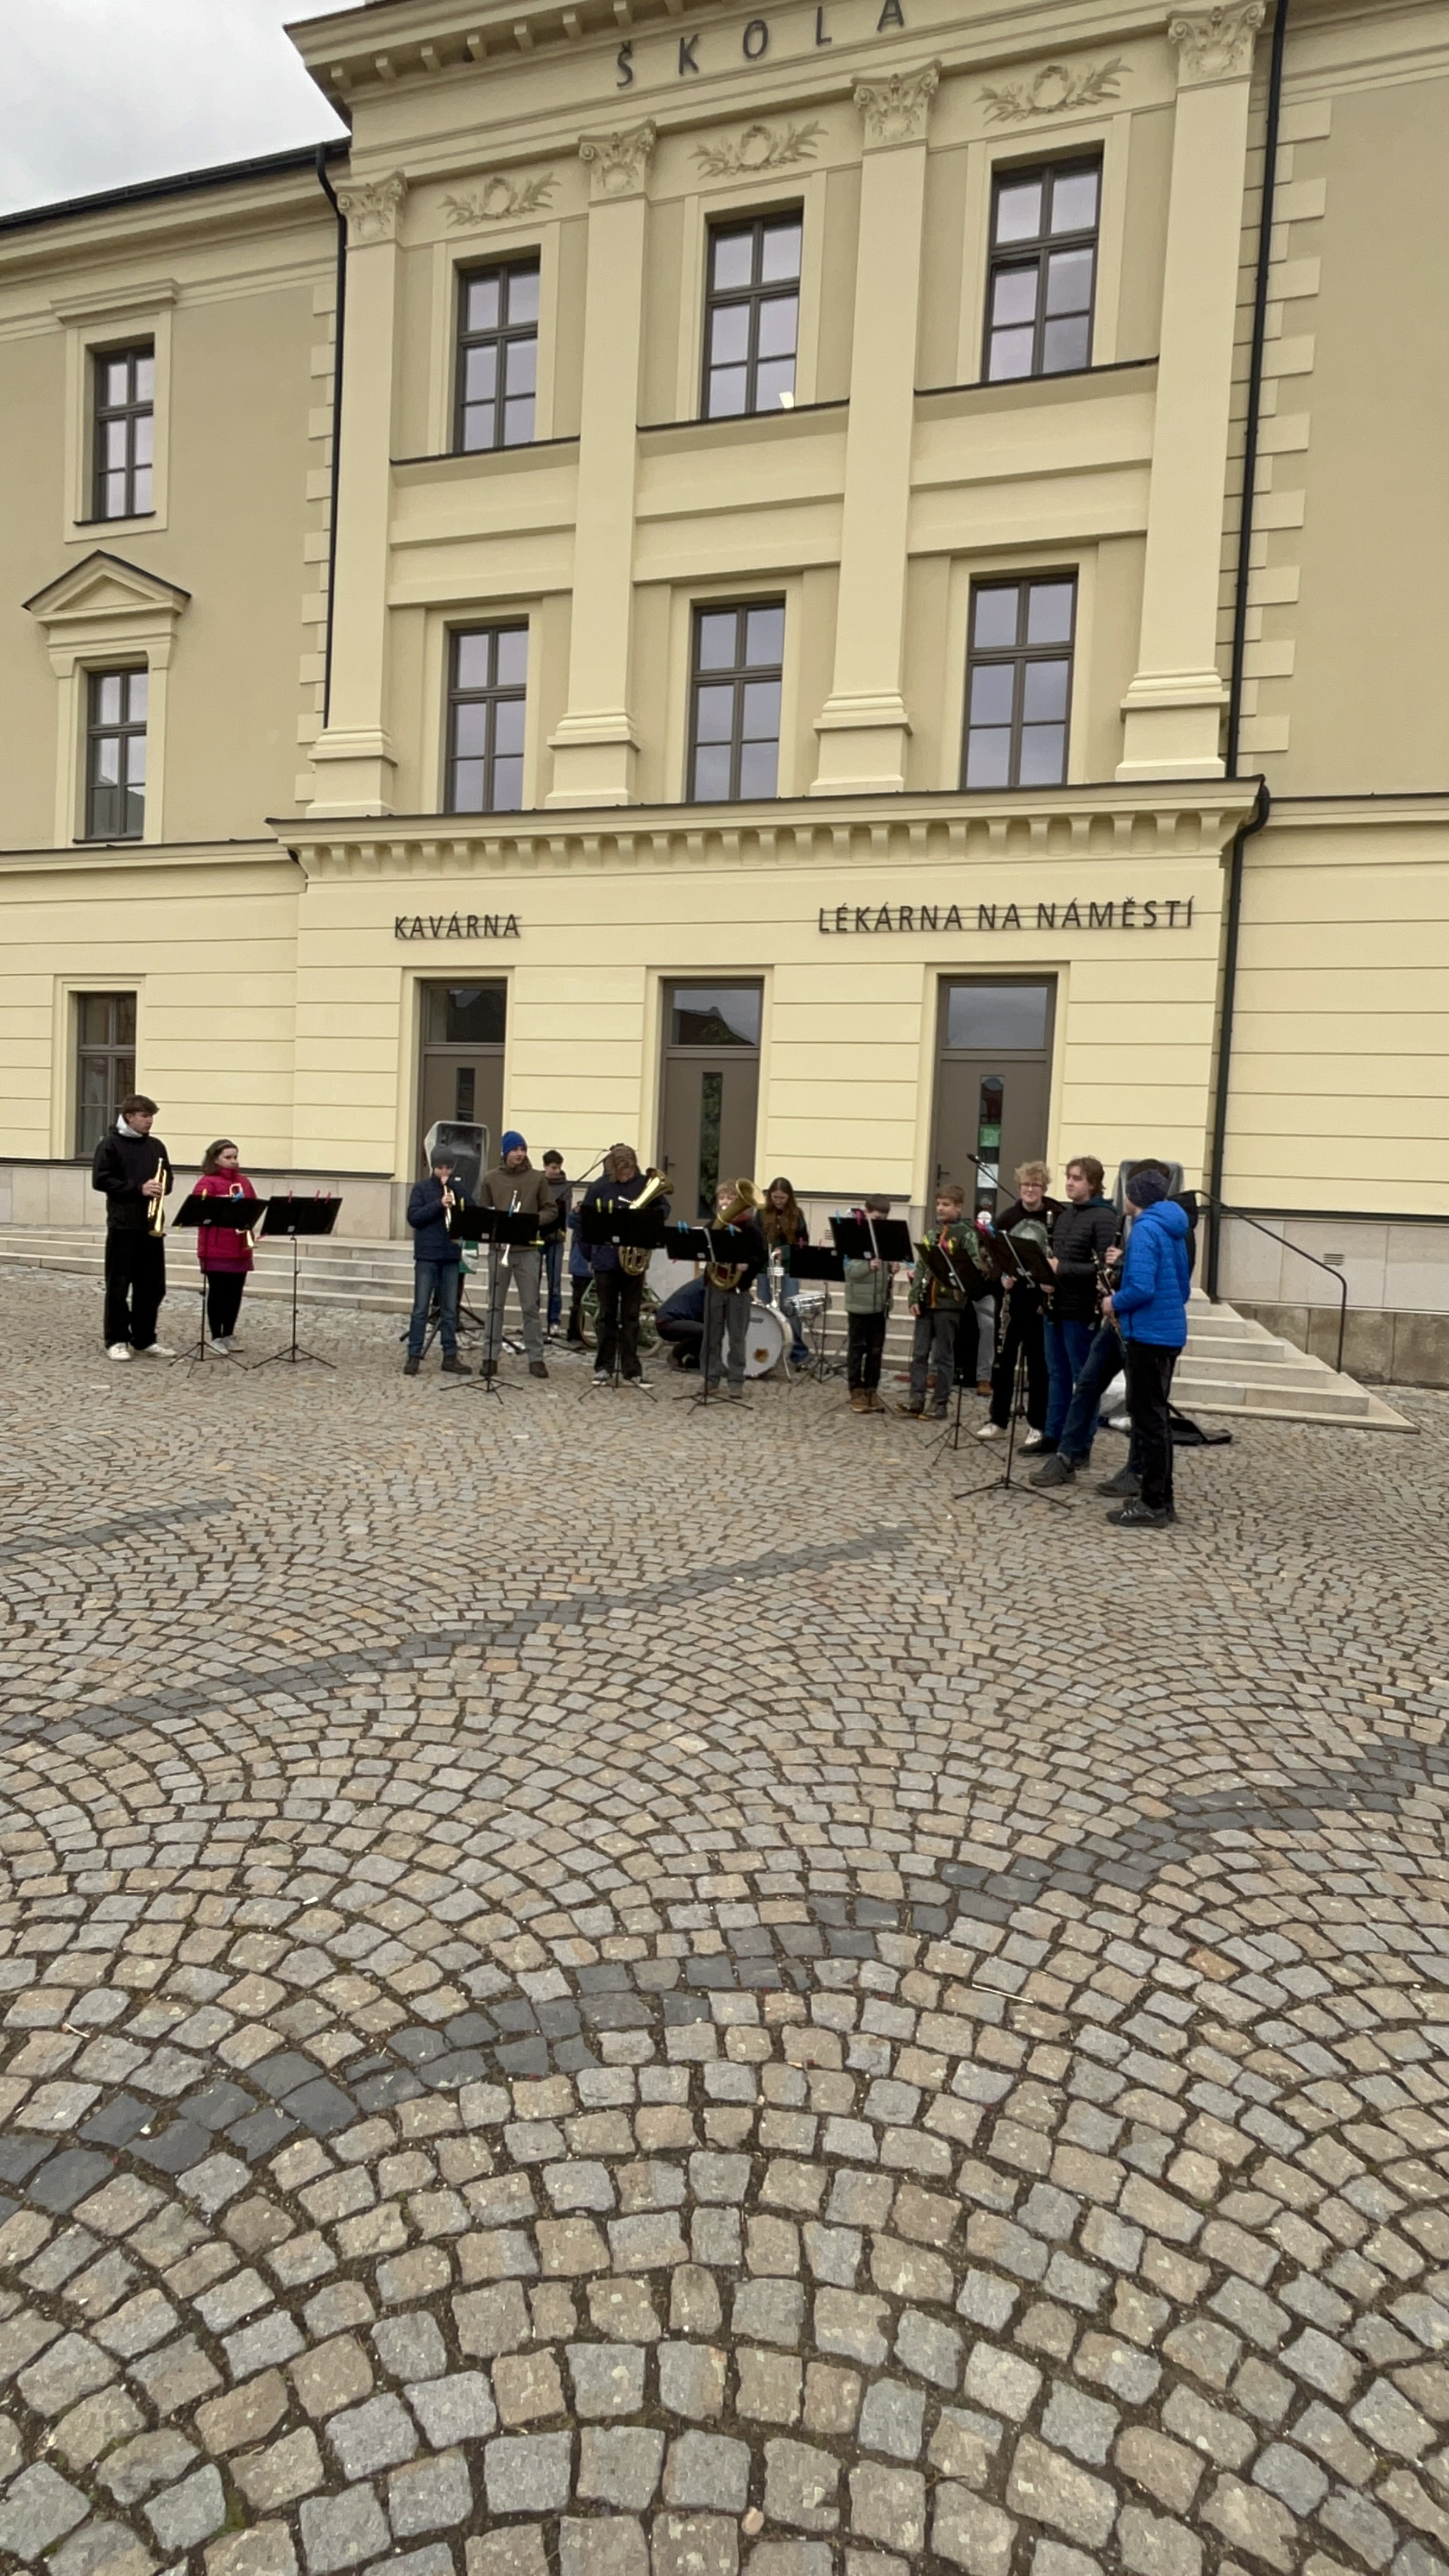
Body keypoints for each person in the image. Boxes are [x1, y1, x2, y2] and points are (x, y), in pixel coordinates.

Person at [1102, 1167, 1192, 1527]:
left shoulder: (1143, 1229)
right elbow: (1183, 1287)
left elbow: (1141, 1288)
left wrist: (1113, 1302)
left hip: (1149, 1335)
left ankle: (1153, 1503)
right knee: (1158, 1420)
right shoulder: (1174, 1228)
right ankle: (1161, 1498)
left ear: (1134, 1197)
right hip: (1169, 1333)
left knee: (1149, 1422)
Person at [977, 1161, 1060, 1445]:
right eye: (1026, 1184)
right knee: (1003, 1361)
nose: (1030, 1189)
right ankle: (998, 1419)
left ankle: (1038, 1424)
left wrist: (1053, 1278)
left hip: (1041, 1300)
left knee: (1039, 1363)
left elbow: (1060, 1253)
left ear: (1044, 1188)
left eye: (1035, 1185)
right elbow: (994, 1256)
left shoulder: (1056, 1216)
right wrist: (1001, 1277)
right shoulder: (1008, 1218)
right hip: (1013, 1299)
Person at [1041, 1156, 1119, 1452]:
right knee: (1056, 1374)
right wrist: (1046, 1275)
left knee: (1083, 1380)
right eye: (1068, 1177)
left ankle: (1079, 1445)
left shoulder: (1104, 1217)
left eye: (1077, 1178)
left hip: (1081, 1308)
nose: (1070, 1183)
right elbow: (1058, 1259)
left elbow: (1104, 1270)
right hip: (1056, 1303)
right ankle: (1054, 1435)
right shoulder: (1064, 1215)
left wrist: (1061, 1269)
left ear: (1093, 1184)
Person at [91, 1092, 174, 1360]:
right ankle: (116, 1339)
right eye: (145, 1116)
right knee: (119, 1285)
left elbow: (168, 1179)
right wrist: (138, 1188)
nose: (149, 1121)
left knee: (153, 1287)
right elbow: (101, 1180)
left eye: (151, 1116)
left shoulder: (156, 1146)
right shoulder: (110, 1145)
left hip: (151, 1225)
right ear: (129, 1117)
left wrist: (161, 1187)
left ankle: (144, 1338)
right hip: (123, 1225)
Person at [476, 1130, 558, 1379]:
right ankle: (490, 1356)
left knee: (530, 1306)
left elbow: (551, 1209)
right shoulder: (491, 1178)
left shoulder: (537, 1179)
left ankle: (536, 1358)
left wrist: (533, 1221)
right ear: (505, 1152)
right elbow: (483, 1210)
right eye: (515, 1150)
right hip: (500, 1249)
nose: (520, 1154)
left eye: (523, 1149)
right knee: (494, 1306)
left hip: (527, 1250)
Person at [900, 1182, 981, 1420]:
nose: (940, 1208)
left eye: (946, 1204)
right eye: (938, 1204)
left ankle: (940, 1403)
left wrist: (956, 1270)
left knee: (943, 1355)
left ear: (958, 1207)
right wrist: (914, 1296)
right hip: (926, 1302)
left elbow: (974, 1266)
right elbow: (921, 1267)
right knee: (919, 1353)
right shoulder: (931, 1234)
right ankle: (916, 1399)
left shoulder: (966, 1234)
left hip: (949, 1304)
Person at [582, 1142, 659, 1386]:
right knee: (606, 1316)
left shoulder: (644, 1184)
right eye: (623, 1171)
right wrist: (589, 1257)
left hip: (633, 1262)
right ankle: (604, 1367)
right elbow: (585, 1223)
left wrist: (647, 1218)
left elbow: (663, 1208)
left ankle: (632, 1369)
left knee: (631, 1317)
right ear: (614, 1169)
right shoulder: (600, 1187)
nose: (627, 1175)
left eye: (631, 1170)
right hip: (605, 1260)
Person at [403, 1152, 471, 1377]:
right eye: (440, 1168)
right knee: (421, 1308)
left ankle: (450, 1356)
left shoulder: (457, 1189)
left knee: (450, 1310)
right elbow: (414, 1217)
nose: (444, 1172)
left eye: (448, 1168)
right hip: (427, 1256)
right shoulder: (422, 1189)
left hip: (450, 1256)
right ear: (433, 1168)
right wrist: (438, 1204)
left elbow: (471, 1210)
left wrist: (458, 1197)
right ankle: (414, 1355)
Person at [192, 1139, 259, 1352]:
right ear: (215, 1159)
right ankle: (216, 1336)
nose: (233, 1161)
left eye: (235, 1157)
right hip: (216, 1246)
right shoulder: (207, 1182)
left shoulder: (243, 1181)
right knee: (218, 1292)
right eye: (228, 1157)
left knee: (235, 1293)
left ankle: (229, 1333)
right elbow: (199, 1211)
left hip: (239, 1246)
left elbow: (253, 1208)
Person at [703, 1181, 766, 1400]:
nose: (725, 1202)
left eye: (731, 1198)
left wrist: (748, 1265)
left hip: (739, 1289)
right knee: (711, 1336)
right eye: (722, 1198)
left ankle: (736, 1381)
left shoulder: (750, 1229)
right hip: (715, 1287)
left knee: (737, 1338)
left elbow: (761, 1257)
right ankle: (710, 1378)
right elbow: (703, 1250)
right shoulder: (712, 1225)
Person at [845, 1194, 896, 1414]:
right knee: (857, 1349)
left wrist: (892, 1267)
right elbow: (849, 1271)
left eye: (883, 1219)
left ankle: (872, 1389)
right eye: (876, 1218)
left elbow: (887, 1266)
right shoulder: (854, 1234)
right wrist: (868, 1267)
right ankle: (856, 1390)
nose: (880, 1222)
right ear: (866, 1213)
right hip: (859, 1303)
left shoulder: (886, 1236)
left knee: (876, 1350)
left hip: (879, 1303)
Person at [757, 1176, 811, 1368]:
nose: (778, 1201)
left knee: (790, 1309)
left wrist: (786, 1251)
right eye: (775, 1197)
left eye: (782, 1198)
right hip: (765, 1267)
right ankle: (766, 1352)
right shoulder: (761, 1214)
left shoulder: (797, 1214)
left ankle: (798, 1353)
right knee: (766, 1308)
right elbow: (756, 1238)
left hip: (788, 1267)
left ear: (789, 1197)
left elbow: (803, 1242)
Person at [542, 1150, 570, 1337]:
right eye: (553, 1167)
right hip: (538, 1236)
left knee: (555, 1283)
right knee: (532, 1281)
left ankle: (554, 1321)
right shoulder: (538, 1183)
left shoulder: (565, 1187)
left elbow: (566, 1214)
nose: (557, 1171)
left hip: (556, 1239)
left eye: (559, 1167)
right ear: (545, 1166)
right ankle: (532, 1320)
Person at [656, 1273, 706, 1369]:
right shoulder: (706, 1286)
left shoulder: (704, 1283)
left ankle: (694, 1359)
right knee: (707, 1330)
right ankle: (675, 1355)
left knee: (708, 1329)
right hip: (668, 1321)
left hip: (676, 1320)